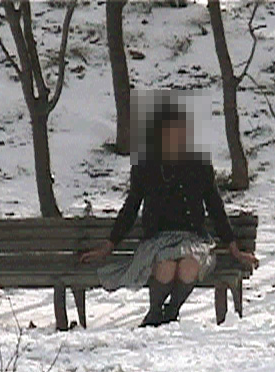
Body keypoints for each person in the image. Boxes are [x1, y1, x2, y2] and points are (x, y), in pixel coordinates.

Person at [80, 98, 258, 327]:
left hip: (193, 239)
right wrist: (109, 244)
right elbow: (131, 207)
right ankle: (156, 311)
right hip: (157, 240)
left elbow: (215, 207)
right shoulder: (145, 166)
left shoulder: (199, 165)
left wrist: (233, 248)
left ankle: (169, 312)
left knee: (188, 266)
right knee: (166, 267)